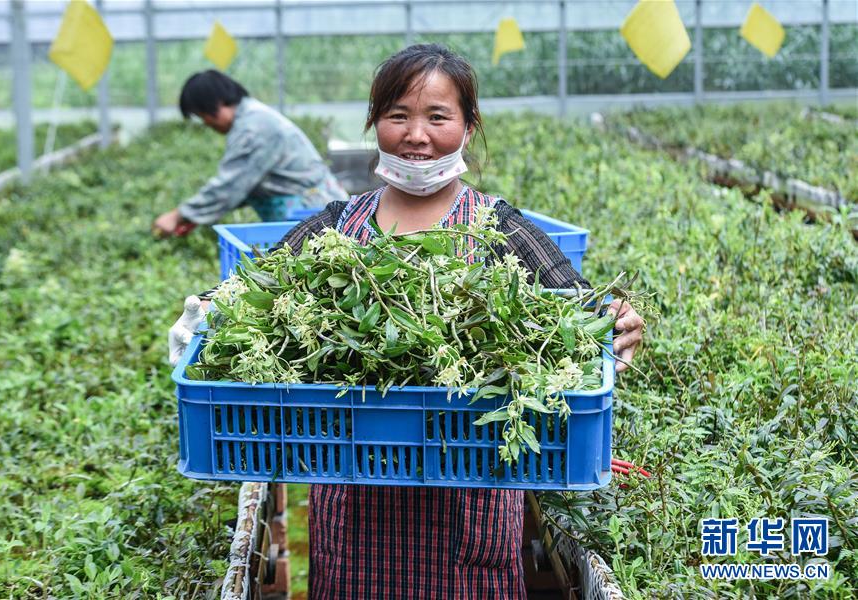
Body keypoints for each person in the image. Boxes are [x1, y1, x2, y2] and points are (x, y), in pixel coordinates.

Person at [169, 45, 644, 598]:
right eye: (398, 116)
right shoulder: (340, 226)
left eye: (438, 117)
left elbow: (576, 303)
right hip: (354, 497)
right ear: (375, 124)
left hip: (469, 498)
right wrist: (204, 312)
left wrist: (614, 319)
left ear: (469, 126)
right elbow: (258, 284)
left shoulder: (496, 227)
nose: (416, 135)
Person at [152, 70, 348, 237]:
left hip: (314, 213)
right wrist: (196, 216)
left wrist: (177, 215)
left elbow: (230, 185)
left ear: (214, 105)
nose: (206, 124)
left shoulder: (253, 129)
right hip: (307, 211)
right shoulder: (251, 119)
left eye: (202, 116)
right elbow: (244, 186)